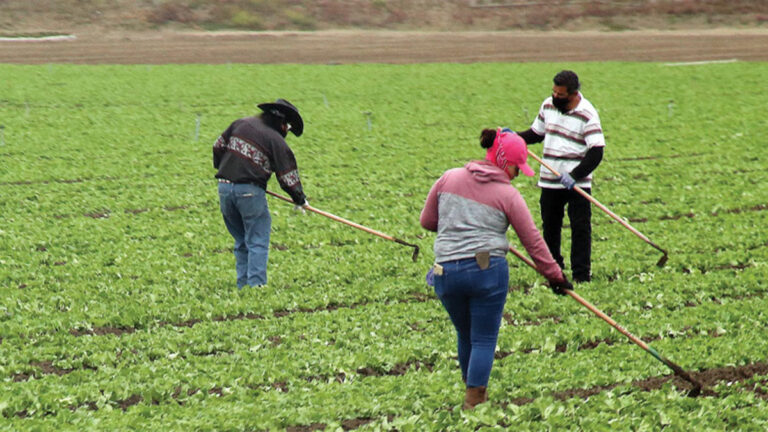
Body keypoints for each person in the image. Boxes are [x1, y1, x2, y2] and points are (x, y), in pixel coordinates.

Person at [420, 128, 573, 410]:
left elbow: (428, 221)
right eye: (517, 166)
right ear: (505, 162)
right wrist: (555, 276)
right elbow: (533, 242)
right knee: (484, 338)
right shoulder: (508, 194)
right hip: (484, 268)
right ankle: (475, 401)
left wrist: (462, 224)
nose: (518, 173)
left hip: (445, 272)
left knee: (466, 334)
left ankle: (472, 392)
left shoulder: (448, 177)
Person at [514, 70, 605, 283]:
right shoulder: (548, 106)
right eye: (554, 92)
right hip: (549, 179)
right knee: (550, 227)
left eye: (560, 95)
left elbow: (596, 151)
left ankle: (582, 275)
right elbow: (536, 134)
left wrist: (575, 175)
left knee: (580, 228)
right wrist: (513, 137)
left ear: (573, 94)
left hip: (576, 184)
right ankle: (554, 270)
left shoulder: (587, 114)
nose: (555, 97)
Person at [213, 98, 308, 289]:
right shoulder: (275, 140)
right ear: (282, 123)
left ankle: (243, 285)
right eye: (287, 126)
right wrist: (299, 199)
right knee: (257, 239)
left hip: (224, 189)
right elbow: (288, 175)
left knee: (241, 240)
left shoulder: (240, 123)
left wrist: (226, 168)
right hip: (249, 192)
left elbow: (218, 146)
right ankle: (256, 287)